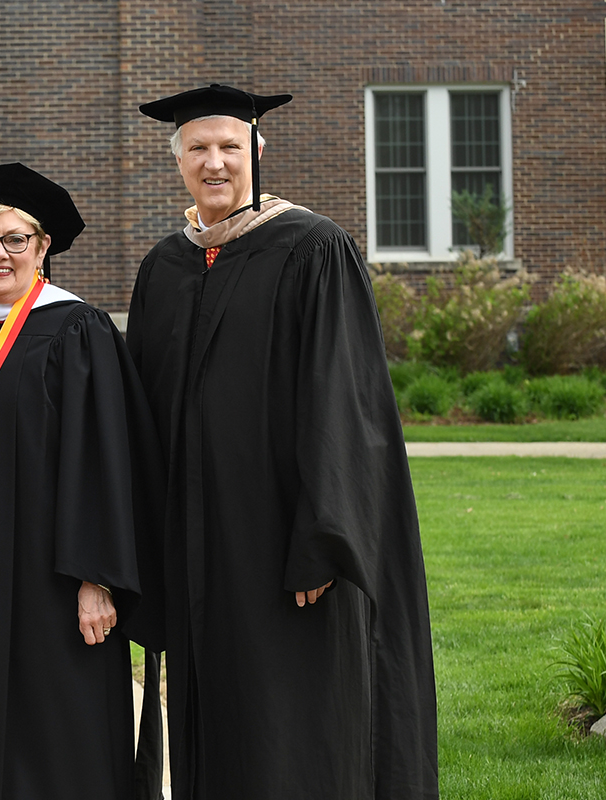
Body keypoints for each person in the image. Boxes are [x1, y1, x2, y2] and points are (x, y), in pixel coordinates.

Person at [124, 84, 438, 798]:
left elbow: (344, 406)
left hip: (286, 555)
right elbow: (141, 414)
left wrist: (320, 541)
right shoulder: (165, 268)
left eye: (229, 147)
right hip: (201, 550)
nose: (214, 163)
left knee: (293, 730)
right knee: (214, 723)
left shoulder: (313, 249)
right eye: (198, 149)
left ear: (258, 154)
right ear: (177, 162)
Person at [0, 163, 163, 800]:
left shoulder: (81, 331)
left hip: (59, 589)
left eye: (16, 239)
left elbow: (109, 460)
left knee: (59, 741)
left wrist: (97, 578)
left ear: (43, 248)